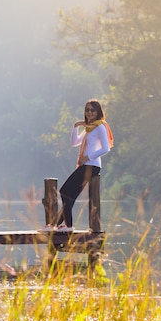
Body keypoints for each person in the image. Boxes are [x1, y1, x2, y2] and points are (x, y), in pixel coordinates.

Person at [40, 99, 114, 232]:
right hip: (86, 165)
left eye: (92, 110)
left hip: (91, 165)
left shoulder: (100, 127)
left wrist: (88, 157)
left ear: (98, 112)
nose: (89, 112)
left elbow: (106, 148)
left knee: (64, 192)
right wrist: (76, 126)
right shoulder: (88, 128)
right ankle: (55, 225)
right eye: (87, 110)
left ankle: (68, 226)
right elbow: (74, 143)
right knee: (71, 196)